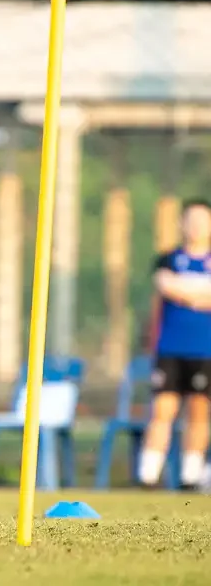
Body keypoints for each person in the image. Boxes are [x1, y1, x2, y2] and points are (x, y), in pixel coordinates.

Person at [139, 198, 211, 490]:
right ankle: (148, 474)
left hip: (205, 349)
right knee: (163, 410)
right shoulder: (168, 259)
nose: (195, 225)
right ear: (182, 223)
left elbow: (180, 290)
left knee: (198, 410)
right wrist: (198, 294)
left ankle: (190, 475)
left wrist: (186, 291)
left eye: (202, 219)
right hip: (170, 348)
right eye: (190, 219)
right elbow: (166, 285)